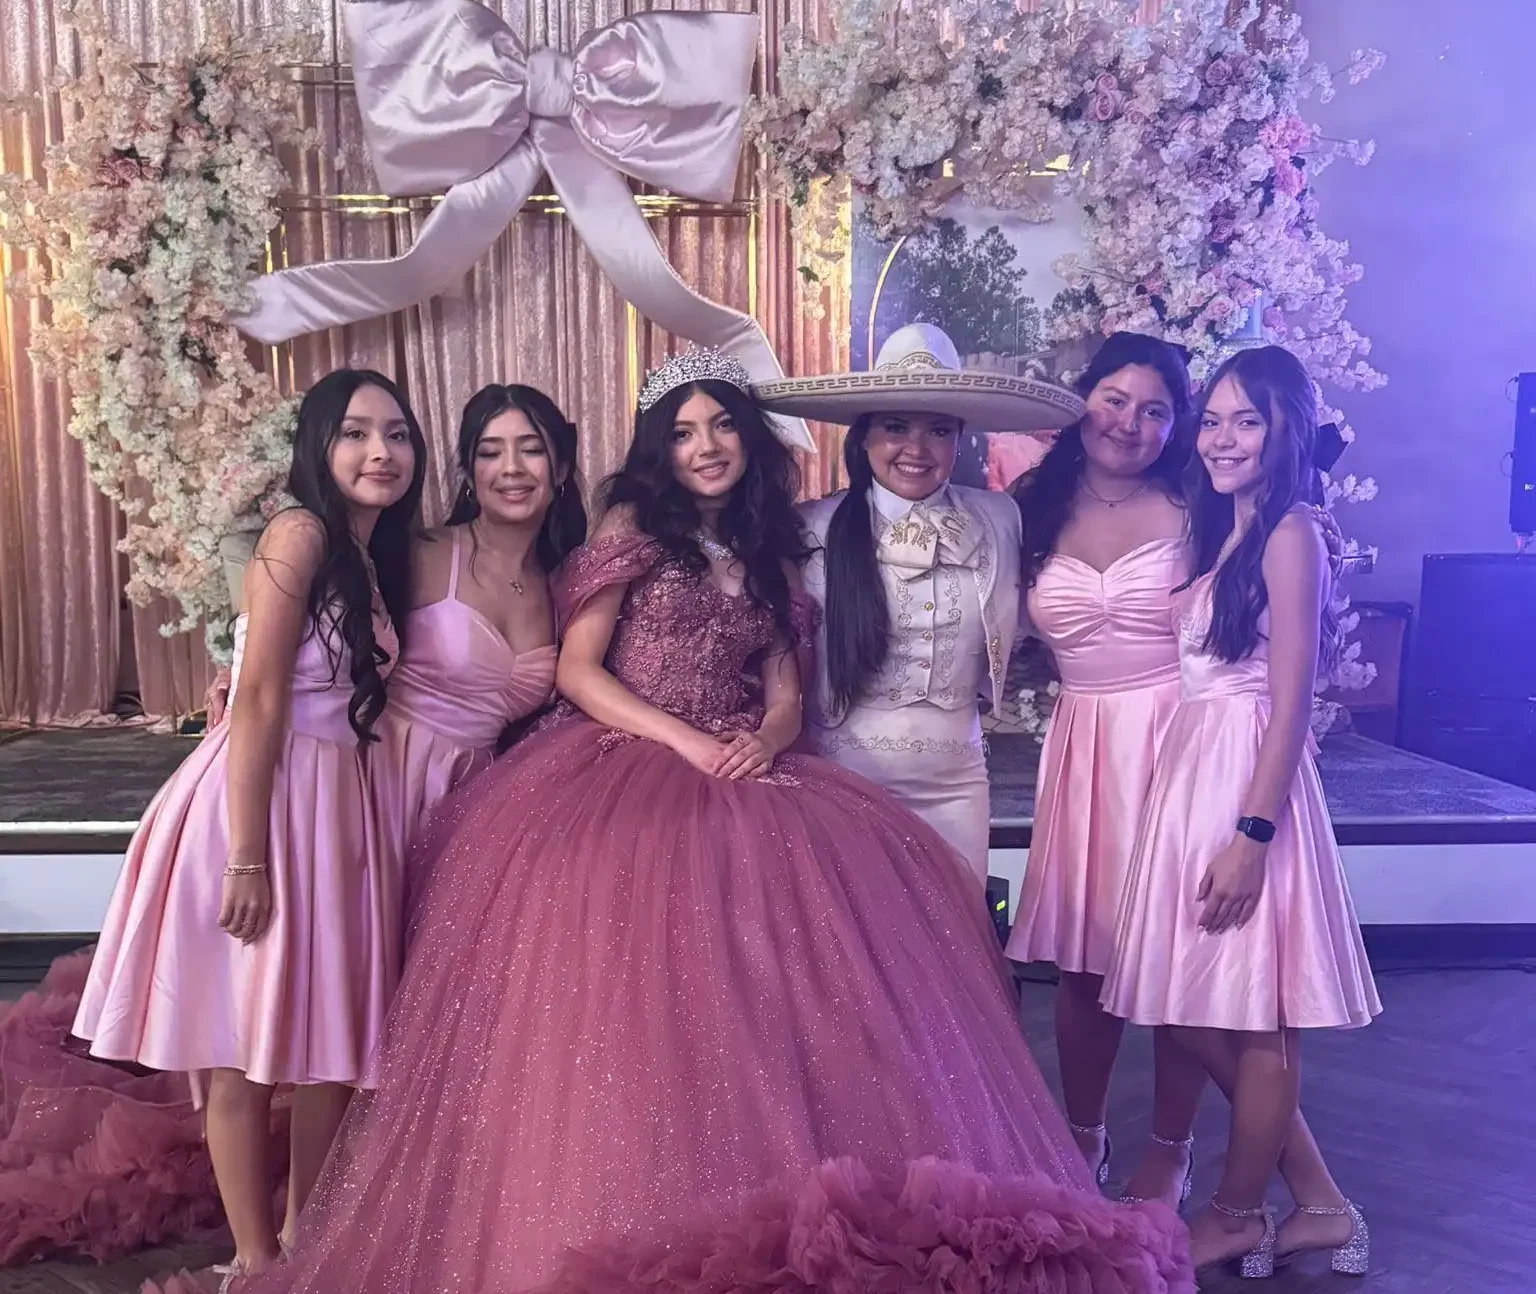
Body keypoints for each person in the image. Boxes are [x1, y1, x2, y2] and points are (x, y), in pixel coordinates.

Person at [237, 349, 1192, 1294]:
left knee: (789, 982)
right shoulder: (632, 526)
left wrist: (769, 736)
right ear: (661, 447)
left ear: (749, 440)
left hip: (747, 764)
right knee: (639, 992)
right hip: (624, 761)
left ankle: (795, 1176)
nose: (706, 447)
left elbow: (783, 685)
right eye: (685, 432)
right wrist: (685, 743)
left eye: (723, 426)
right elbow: (579, 670)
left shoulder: (774, 542)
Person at [71, 369, 426, 1280]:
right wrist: (246, 856)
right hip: (262, 803)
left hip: (336, 805)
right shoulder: (298, 532)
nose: (380, 452)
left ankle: (308, 1240)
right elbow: (262, 695)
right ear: (318, 445)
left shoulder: (369, 555)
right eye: (356, 433)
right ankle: (254, 1260)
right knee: (242, 1040)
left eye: (397, 434)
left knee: (330, 1040)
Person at [1100, 345, 1380, 1277]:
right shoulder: (1235, 528)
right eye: (1213, 420)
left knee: (1257, 1017)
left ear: (1285, 430)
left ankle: (1233, 1213)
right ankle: (1320, 1201)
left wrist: (1253, 836)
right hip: (1196, 777)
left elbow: (1292, 703)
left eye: (1246, 421)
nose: (1222, 439)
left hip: (1247, 785)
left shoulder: (1290, 531)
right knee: (1184, 1005)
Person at [760, 323, 1083, 885]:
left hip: (957, 786)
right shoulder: (811, 528)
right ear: (863, 435)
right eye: (895, 427)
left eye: (938, 430)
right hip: (842, 780)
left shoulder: (1000, 519)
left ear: (960, 438)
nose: (917, 449)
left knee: (956, 927)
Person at [1004, 333, 1208, 1208]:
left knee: (1180, 954)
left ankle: (1172, 1146)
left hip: (1181, 736)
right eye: (1115, 400)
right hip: (1085, 739)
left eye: (1154, 411)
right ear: (1080, 400)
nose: (1129, 423)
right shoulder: (1028, 508)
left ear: (1176, 425)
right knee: (1084, 957)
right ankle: (1082, 1129)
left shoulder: (1200, 503)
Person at [373, 384, 585, 882]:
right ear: (469, 473)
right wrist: (239, 667)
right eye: (490, 452)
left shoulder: (565, 582)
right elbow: (328, 625)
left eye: (531, 449)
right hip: (383, 780)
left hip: (477, 803)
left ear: (560, 470)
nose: (511, 468)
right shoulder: (424, 552)